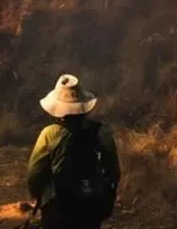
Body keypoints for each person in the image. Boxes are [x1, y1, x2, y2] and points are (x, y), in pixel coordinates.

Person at [27, 74, 120, 229]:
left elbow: (34, 174)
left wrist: (37, 196)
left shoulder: (49, 134)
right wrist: (106, 196)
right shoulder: (102, 131)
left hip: (57, 207)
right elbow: (113, 172)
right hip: (91, 204)